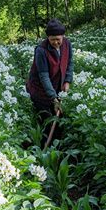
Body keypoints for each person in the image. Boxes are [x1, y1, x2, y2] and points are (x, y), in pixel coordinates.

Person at [25, 18, 74, 147]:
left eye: (58, 39)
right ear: (48, 38)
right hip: (40, 89)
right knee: (47, 119)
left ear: (63, 36)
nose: (56, 42)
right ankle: (43, 148)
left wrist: (67, 81)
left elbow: (70, 63)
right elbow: (44, 76)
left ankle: (57, 148)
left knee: (58, 118)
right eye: (52, 39)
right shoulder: (41, 50)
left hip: (57, 86)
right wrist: (53, 98)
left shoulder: (67, 44)